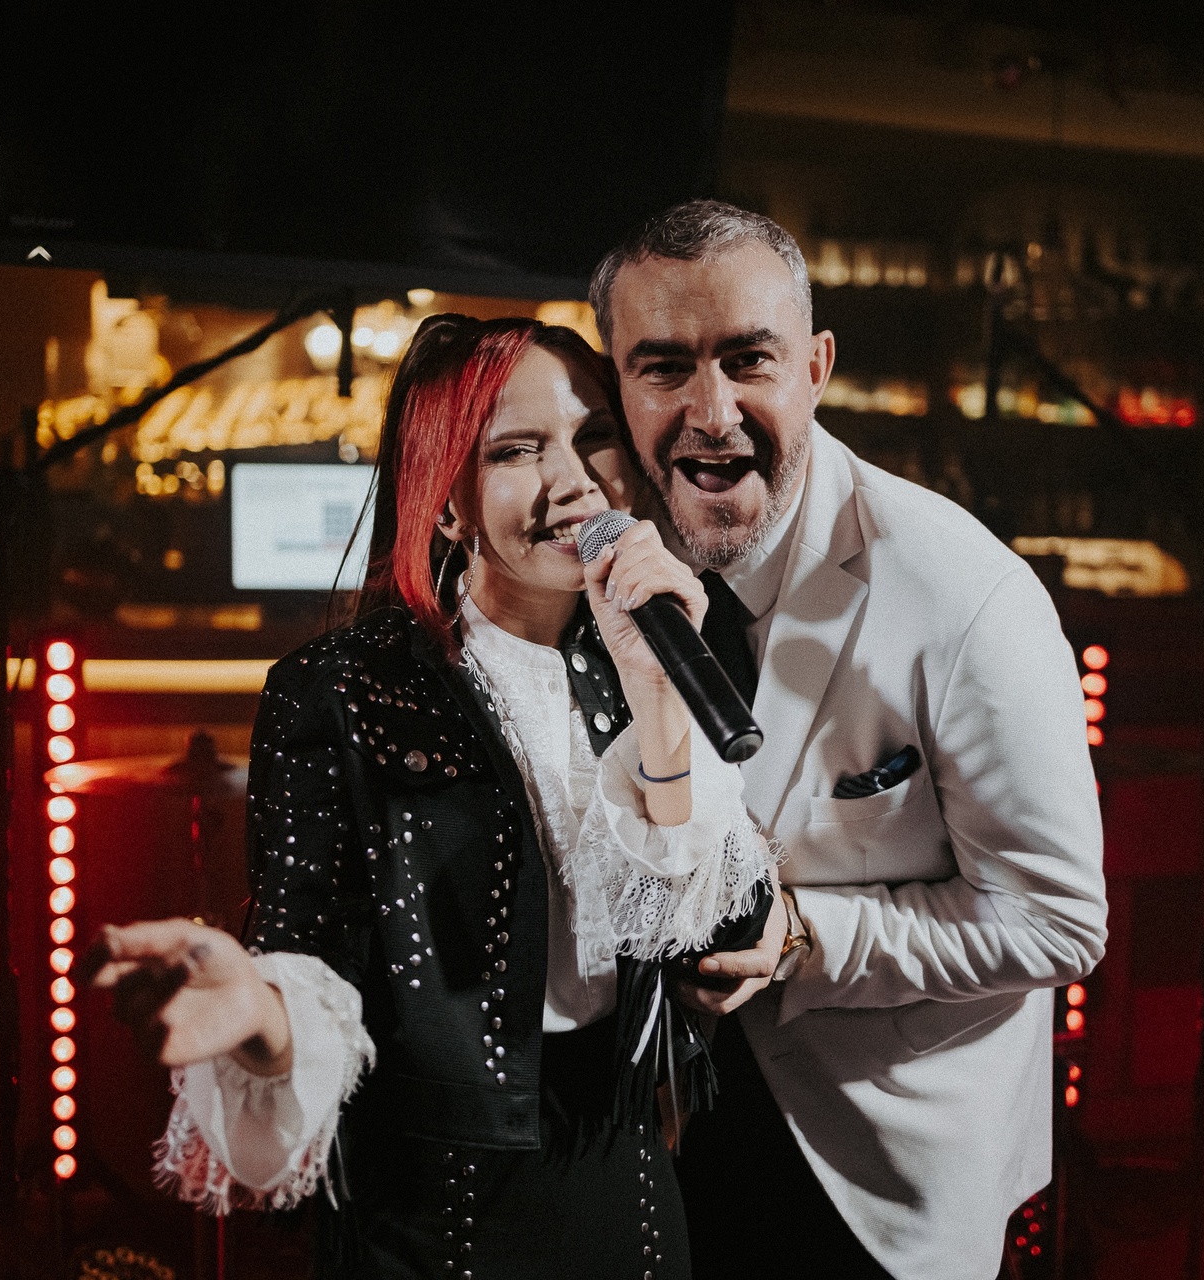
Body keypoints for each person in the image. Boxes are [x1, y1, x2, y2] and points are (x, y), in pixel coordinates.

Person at [79, 315, 776, 1278]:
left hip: (624, 1194)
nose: (573, 480)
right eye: (516, 451)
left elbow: (721, 926)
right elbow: (314, 971)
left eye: (594, 437)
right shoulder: (342, 691)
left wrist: (658, 699)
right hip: (428, 1217)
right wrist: (259, 1011)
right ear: (447, 506)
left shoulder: (660, 651)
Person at [588, 200, 1109, 1280]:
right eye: (665, 367)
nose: (711, 413)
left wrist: (804, 935)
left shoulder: (965, 594)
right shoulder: (609, 556)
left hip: (880, 1179)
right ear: (619, 384)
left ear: (816, 368)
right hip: (658, 1141)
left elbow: (1057, 921)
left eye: (748, 360)